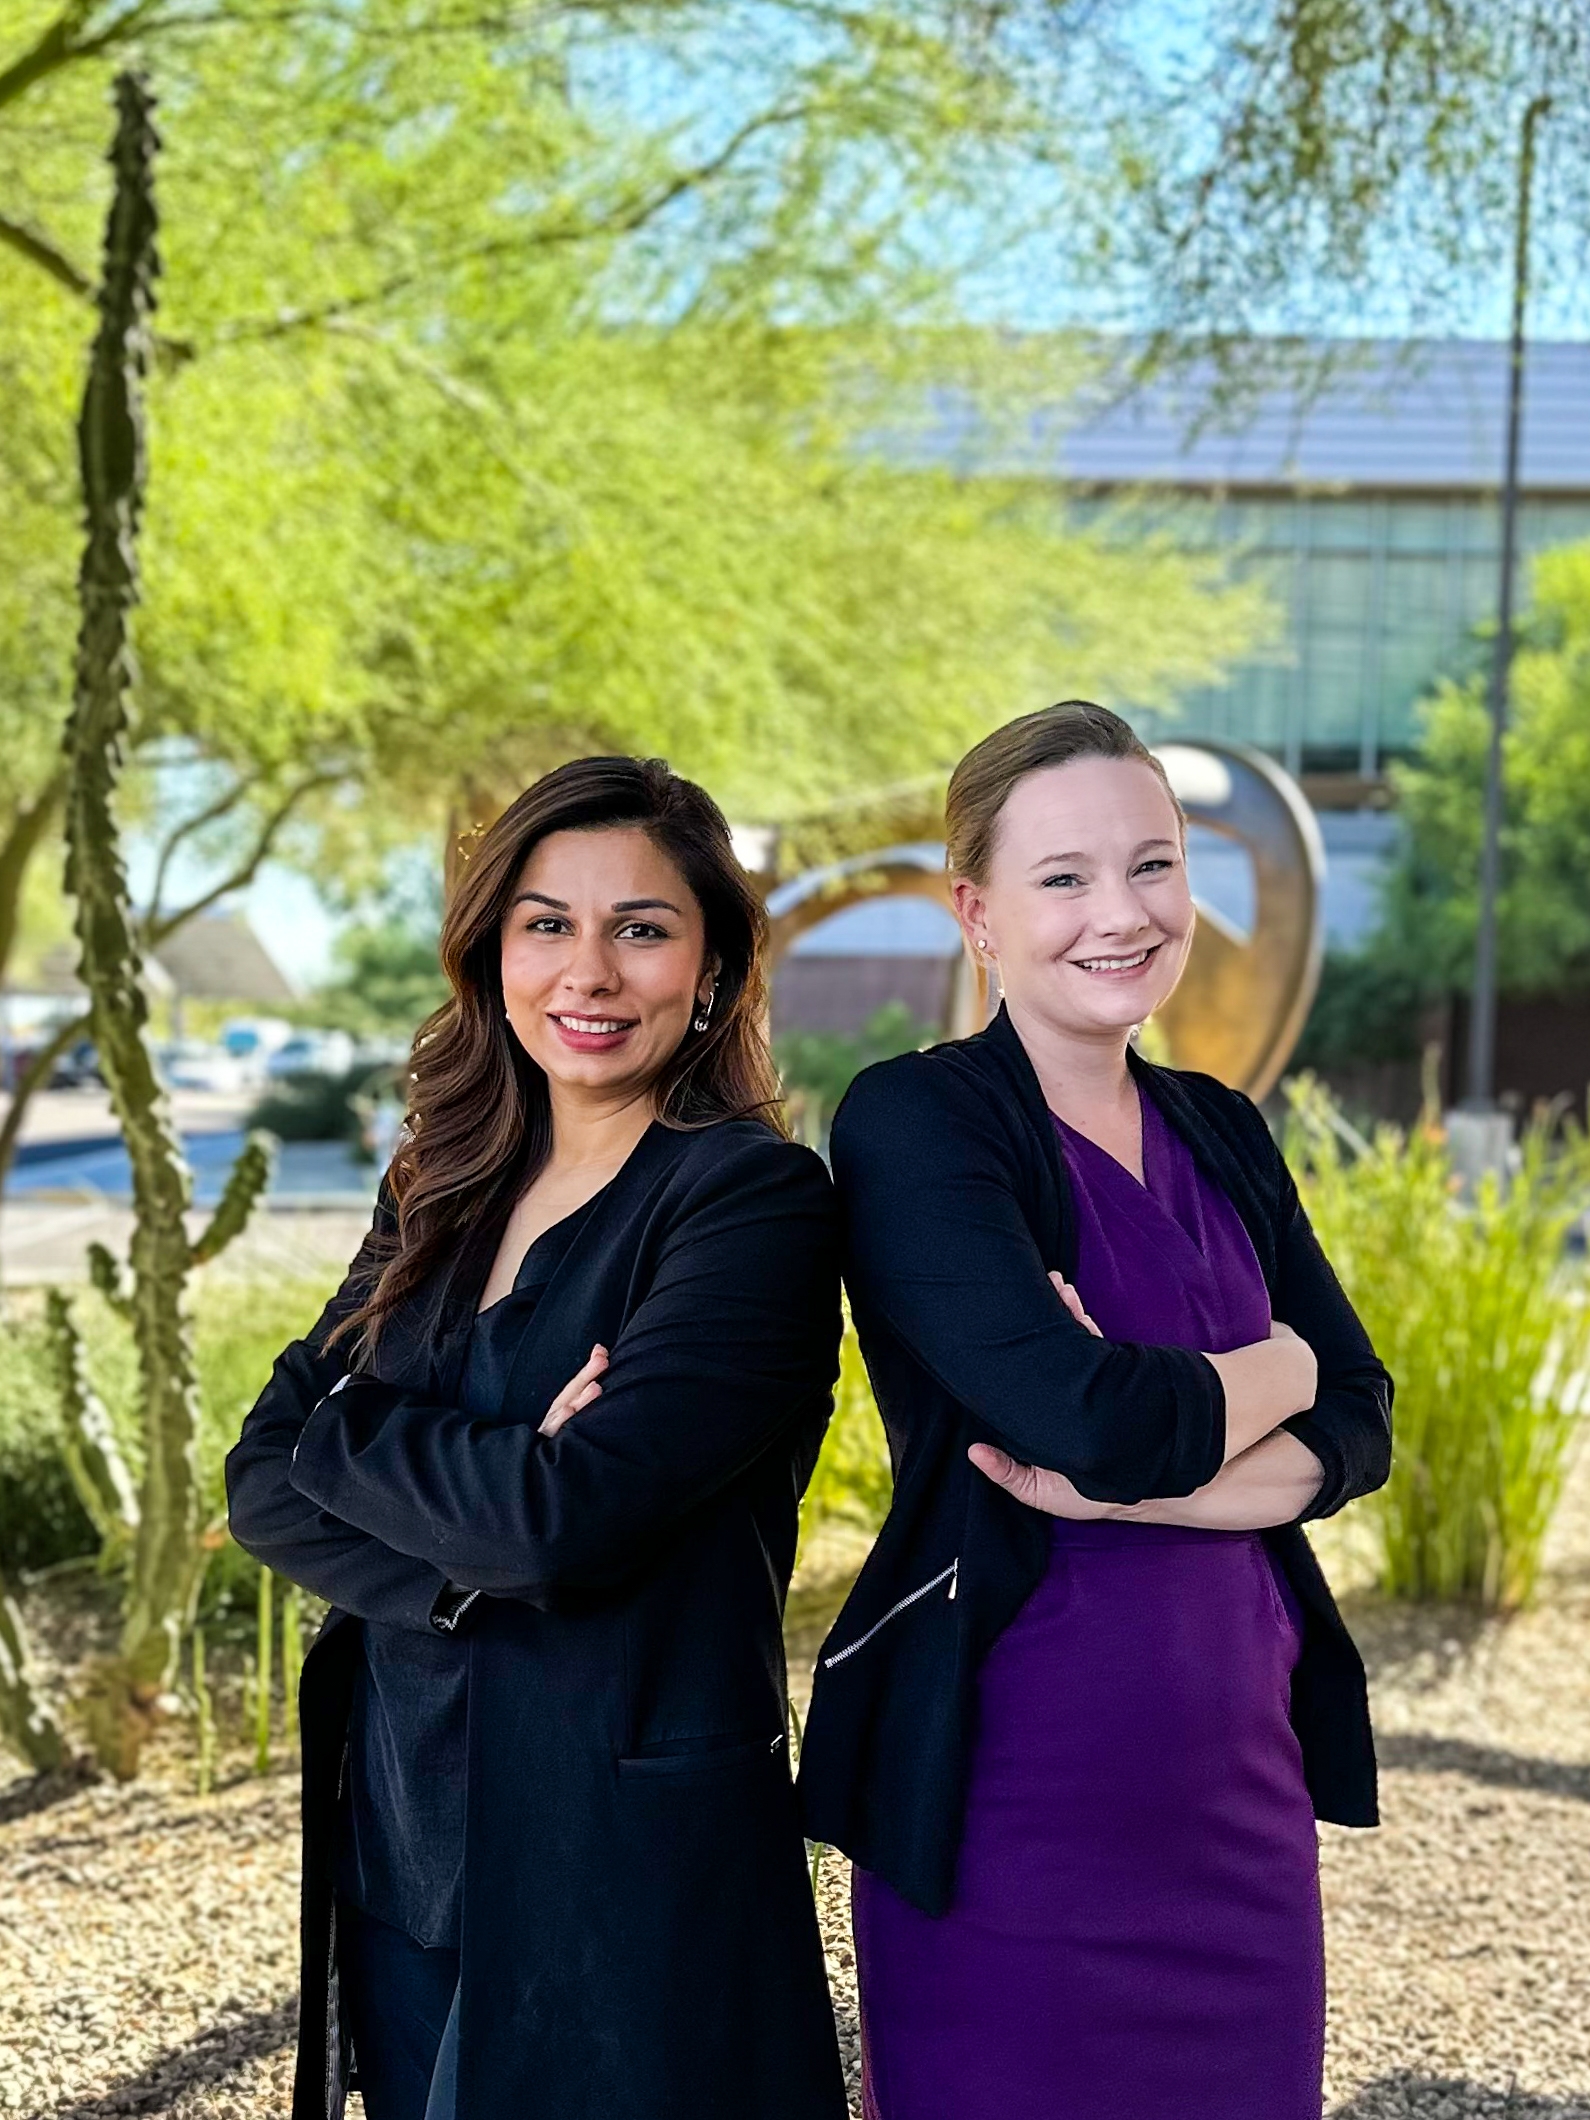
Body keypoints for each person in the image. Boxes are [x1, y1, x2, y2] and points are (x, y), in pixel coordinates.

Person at [225, 756, 849, 2120]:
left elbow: (563, 1517)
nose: (590, 971)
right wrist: (464, 1549)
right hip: (406, 1826)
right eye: (545, 923)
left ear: (714, 969)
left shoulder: (749, 1204)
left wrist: (371, 1438)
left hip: (612, 1843)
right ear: (492, 952)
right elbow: (263, 1480)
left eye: (641, 926)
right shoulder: (441, 1182)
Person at [797, 701, 1394, 2120]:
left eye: (1153, 865)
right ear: (976, 911)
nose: (1117, 914)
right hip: (1012, 1801)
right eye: (1061, 877)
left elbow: (1357, 1415)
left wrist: (1149, 1471)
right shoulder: (914, 1122)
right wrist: (1276, 1373)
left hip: (1234, 1799)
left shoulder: (1222, 1129)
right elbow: (1085, 1416)